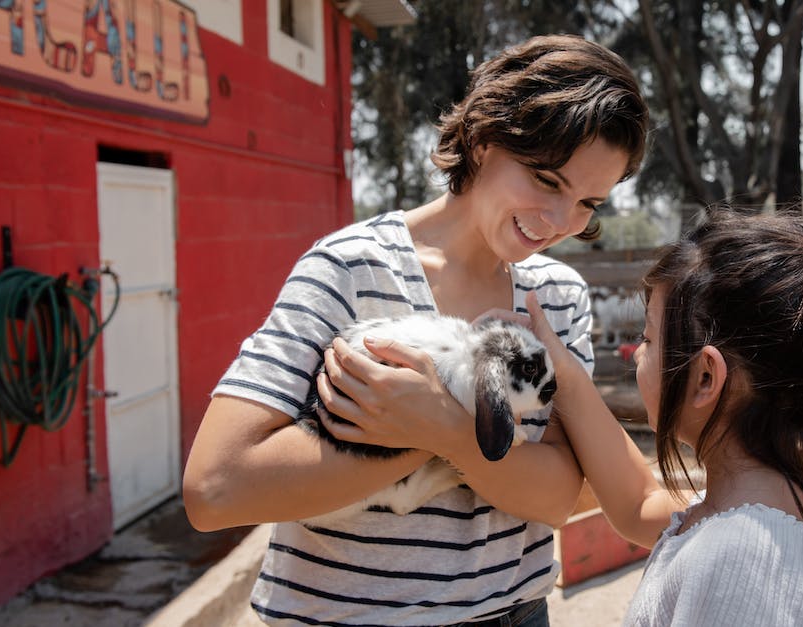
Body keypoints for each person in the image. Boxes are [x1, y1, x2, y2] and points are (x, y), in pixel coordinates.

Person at [181, 34, 649, 626]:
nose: (561, 221)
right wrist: (460, 437)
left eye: (589, 202)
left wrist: (445, 428)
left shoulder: (557, 296)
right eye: (547, 180)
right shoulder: (349, 267)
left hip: (513, 614)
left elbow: (559, 497)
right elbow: (216, 488)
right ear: (483, 140)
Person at [327, 209, 803, 625]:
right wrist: (557, 372)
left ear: (704, 378)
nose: (634, 355)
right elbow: (635, 501)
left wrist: (446, 432)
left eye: (647, 339)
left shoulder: (745, 559)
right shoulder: (774, 508)